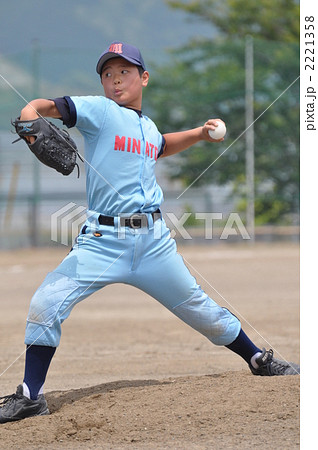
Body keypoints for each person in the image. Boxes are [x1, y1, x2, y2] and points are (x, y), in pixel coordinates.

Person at [0, 41, 299, 423]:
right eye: (107, 74)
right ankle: (31, 394)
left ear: (143, 78)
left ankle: (258, 359)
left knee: (202, 311)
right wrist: (29, 112)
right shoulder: (101, 110)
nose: (114, 79)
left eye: (123, 71)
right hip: (102, 241)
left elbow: (159, 146)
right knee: (46, 303)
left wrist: (200, 134)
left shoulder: (147, 127)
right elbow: (47, 107)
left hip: (154, 244)